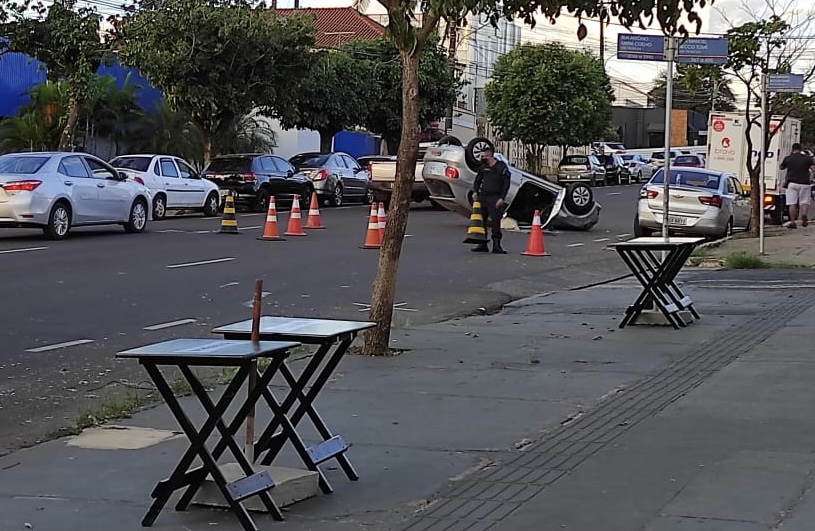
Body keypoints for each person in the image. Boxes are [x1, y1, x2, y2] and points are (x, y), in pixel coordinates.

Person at [471, 146, 511, 254]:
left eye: (484, 156)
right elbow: (478, 180)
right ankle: (482, 244)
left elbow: (506, 184)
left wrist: (502, 198)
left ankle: (497, 245)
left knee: (495, 222)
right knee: (481, 221)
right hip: (483, 197)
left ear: (490, 155)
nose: (482, 158)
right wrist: (475, 191)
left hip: (495, 197)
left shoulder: (501, 167)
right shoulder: (483, 167)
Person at [779, 143, 814, 228]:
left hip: (792, 183)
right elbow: (813, 168)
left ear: (792, 149)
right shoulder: (807, 158)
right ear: (800, 149)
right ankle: (804, 215)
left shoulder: (788, 158)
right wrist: (811, 177)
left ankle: (793, 222)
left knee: (792, 203)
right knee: (805, 202)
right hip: (805, 183)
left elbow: (781, 167)